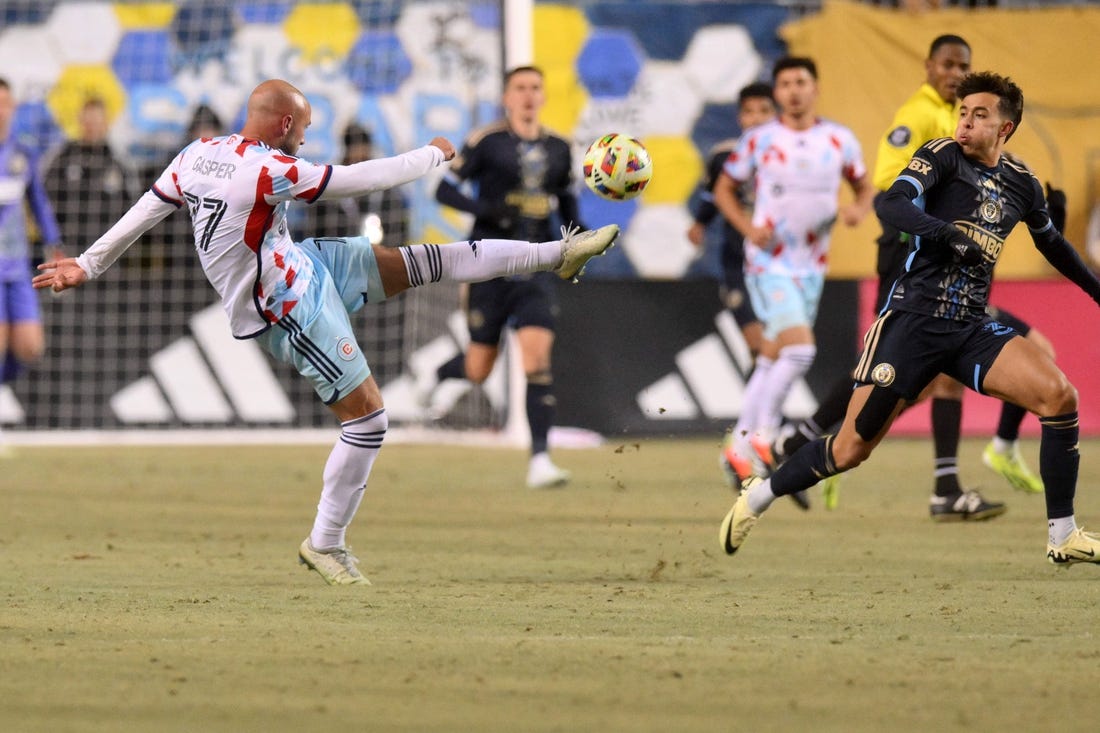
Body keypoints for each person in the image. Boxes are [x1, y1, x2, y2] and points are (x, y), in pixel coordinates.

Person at [32, 78, 620, 586]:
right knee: (369, 420)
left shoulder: (198, 154)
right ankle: (325, 542)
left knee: (430, 259)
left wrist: (88, 262)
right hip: (285, 307)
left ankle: (556, 252)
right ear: (284, 123)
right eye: (305, 127)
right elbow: (359, 180)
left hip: (306, 264)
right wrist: (432, 155)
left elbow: (147, 207)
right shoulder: (268, 169)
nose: (307, 138)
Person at [721, 71, 1100, 566]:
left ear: (1005, 129)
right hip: (912, 322)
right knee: (851, 449)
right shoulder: (940, 155)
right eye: (962, 113)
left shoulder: (1021, 183)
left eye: (978, 115)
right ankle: (756, 497)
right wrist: (946, 234)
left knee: (1059, 396)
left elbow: (1053, 245)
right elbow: (892, 203)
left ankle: (1063, 534)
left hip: (970, 327)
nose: (964, 123)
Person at [770, 35, 1056, 518]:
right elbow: (889, 183)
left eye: (961, 65)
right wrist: (937, 234)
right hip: (916, 257)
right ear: (927, 67)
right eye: (946, 64)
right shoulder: (919, 116)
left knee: (927, 373)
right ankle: (811, 444)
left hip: (953, 268)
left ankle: (934, 480)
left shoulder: (962, 118)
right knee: (892, 367)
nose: (953, 73)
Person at [712, 57, 874, 499]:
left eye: (801, 82)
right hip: (769, 262)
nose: (794, 90)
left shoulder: (839, 140)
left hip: (812, 265)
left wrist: (859, 209)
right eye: (785, 84)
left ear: (815, 87)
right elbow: (723, 188)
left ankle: (738, 444)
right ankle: (763, 436)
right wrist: (748, 229)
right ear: (777, 93)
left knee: (770, 354)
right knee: (800, 351)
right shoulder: (760, 140)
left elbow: (864, 186)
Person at [431, 65, 584, 490]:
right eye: (520, 88)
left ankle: (540, 459)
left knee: (536, 361)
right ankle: (443, 376)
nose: (529, 95)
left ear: (544, 95)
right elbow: (443, 190)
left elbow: (568, 206)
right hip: (487, 265)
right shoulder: (486, 142)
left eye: (536, 87)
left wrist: (583, 243)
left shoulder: (559, 148)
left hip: (536, 266)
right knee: (479, 368)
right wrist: (488, 211)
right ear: (507, 97)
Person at [686, 82, 775, 360]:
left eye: (764, 111)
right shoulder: (724, 155)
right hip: (736, 253)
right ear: (739, 117)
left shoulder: (789, 157)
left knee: (776, 343)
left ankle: (763, 391)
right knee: (753, 338)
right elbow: (712, 195)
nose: (756, 118)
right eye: (749, 112)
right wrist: (699, 224)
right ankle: (760, 380)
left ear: (776, 114)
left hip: (775, 256)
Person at [0, 77, 63, 449]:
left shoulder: (23, 152)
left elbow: (38, 202)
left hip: (18, 267)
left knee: (29, 347)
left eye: (5, 102)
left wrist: (53, 243)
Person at [43, 97, 135, 252]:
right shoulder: (62, 158)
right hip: (67, 250)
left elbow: (132, 208)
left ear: (106, 123)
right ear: (80, 122)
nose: (92, 126)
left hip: (107, 253)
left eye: (97, 121)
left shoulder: (118, 163)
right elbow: (45, 201)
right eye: (88, 120)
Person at [301, 122, 408, 246]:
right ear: (346, 152)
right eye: (355, 152)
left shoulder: (385, 191)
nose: (359, 158)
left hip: (377, 257)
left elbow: (399, 231)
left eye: (364, 156)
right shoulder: (329, 188)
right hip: (338, 258)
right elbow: (315, 230)